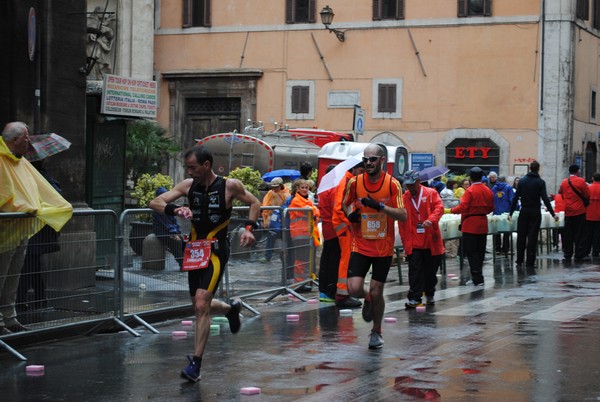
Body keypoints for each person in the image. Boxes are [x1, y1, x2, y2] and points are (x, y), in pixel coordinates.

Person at [148, 145, 260, 383]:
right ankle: (231, 309)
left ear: (206, 165)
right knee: (199, 305)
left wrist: (250, 228)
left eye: (193, 167)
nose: (189, 172)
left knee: (201, 304)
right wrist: (176, 209)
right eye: (188, 168)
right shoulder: (188, 187)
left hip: (217, 252)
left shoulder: (230, 185)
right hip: (195, 252)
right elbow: (155, 202)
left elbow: (254, 202)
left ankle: (195, 365)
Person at [0, 122, 72, 334]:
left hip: (20, 228)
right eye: (26, 137)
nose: (29, 141)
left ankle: (9, 319)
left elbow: (37, 188)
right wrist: (24, 207)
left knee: (13, 278)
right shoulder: (3, 160)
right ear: (14, 140)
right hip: (5, 231)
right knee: (2, 277)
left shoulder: (20, 162)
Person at [342, 143, 407, 349]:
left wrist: (379, 206)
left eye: (372, 159)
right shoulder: (355, 182)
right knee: (353, 289)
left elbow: (403, 215)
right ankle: (367, 297)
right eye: (365, 159)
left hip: (383, 247)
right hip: (360, 243)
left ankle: (376, 331)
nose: (368, 163)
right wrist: (349, 214)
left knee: (378, 291)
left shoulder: (392, 184)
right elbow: (345, 203)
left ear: (381, 161)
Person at [17, 160, 62, 310]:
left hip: (36, 229)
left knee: (28, 266)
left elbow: (56, 196)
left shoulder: (40, 178)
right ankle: (40, 299)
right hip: (37, 229)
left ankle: (21, 301)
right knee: (33, 266)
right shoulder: (38, 176)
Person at [398, 171, 445, 308]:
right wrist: (406, 242)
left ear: (418, 182)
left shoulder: (431, 193)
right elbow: (402, 221)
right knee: (415, 270)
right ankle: (414, 297)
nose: (410, 188)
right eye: (408, 185)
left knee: (430, 271)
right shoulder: (404, 198)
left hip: (430, 240)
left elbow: (439, 208)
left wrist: (431, 220)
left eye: (412, 185)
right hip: (414, 242)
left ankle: (430, 293)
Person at [448, 167, 494, 286]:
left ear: (470, 178)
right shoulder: (488, 190)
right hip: (483, 223)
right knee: (480, 251)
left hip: (470, 224)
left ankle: (477, 278)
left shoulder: (470, 191)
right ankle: (479, 277)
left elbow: (462, 207)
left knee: (472, 252)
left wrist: (450, 210)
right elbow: (491, 208)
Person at [508, 161, 557, 268]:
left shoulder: (522, 181)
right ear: (538, 169)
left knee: (522, 235)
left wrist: (510, 213)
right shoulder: (540, 182)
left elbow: (515, 198)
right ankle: (530, 261)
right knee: (532, 236)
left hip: (524, 211)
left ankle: (519, 260)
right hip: (535, 211)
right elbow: (545, 199)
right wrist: (553, 214)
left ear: (530, 168)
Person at [331, 160, 365, 308]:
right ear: (356, 169)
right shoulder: (346, 181)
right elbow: (339, 206)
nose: (363, 175)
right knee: (346, 259)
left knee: (347, 259)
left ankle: (344, 293)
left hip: (345, 225)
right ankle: (342, 295)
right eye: (362, 171)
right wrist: (349, 221)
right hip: (344, 225)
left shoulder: (349, 180)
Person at [288, 179, 321, 291]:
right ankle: (299, 284)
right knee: (301, 259)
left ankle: (303, 282)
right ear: (297, 189)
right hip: (299, 233)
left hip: (306, 233)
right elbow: (313, 211)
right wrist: (314, 210)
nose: (305, 190)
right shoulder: (297, 200)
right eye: (302, 187)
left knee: (305, 259)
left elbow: (315, 212)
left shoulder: (305, 200)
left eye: (306, 188)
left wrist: (314, 210)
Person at [558, 164, 590, 262]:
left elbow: (562, 194)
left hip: (568, 211)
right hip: (579, 211)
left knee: (568, 234)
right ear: (577, 171)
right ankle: (579, 254)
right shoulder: (581, 181)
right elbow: (587, 194)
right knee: (579, 234)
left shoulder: (564, 182)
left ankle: (568, 253)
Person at [317, 165, 339, 302]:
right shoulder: (333, 189)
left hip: (327, 228)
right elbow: (336, 208)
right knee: (334, 261)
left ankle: (324, 290)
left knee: (326, 259)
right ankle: (331, 290)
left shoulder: (322, 188)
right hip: (335, 229)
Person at [152, 187, 184, 268]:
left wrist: (178, 231)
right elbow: (165, 223)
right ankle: (182, 263)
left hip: (169, 231)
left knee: (183, 242)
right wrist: (174, 233)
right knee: (175, 243)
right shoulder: (158, 209)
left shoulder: (168, 207)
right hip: (162, 232)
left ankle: (186, 262)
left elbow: (174, 221)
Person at [259, 177, 289, 263]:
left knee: (285, 239)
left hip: (283, 220)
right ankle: (267, 257)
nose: (274, 189)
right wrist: (266, 221)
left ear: (281, 185)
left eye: (276, 186)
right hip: (272, 220)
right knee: (270, 239)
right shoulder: (270, 194)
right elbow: (265, 207)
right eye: (273, 187)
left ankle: (285, 256)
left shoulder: (287, 194)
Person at [491, 176, 515, 255]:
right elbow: (512, 199)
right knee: (506, 231)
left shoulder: (494, 189)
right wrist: (515, 208)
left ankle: (497, 248)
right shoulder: (508, 188)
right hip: (506, 213)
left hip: (496, 212)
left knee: (496, 231)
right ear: (505, 180)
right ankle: (505, 248)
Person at [440, 180, 460, 258]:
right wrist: (458, 201)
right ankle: (450, 252)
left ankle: (446, 250)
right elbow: (450, 203)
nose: (456, 186)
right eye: (455, 184)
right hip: (449, 213)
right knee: (451, 233)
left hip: (444, 213)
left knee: (445, 231)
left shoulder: (444, 191)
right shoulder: (449, 192)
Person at [584, 173, 600, 257]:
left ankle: (587, 250)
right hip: (599, 215)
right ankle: (596, 251)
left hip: (589, 214)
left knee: (588, 234)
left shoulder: (588, 188)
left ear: (593, 178)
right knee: (597, 234)